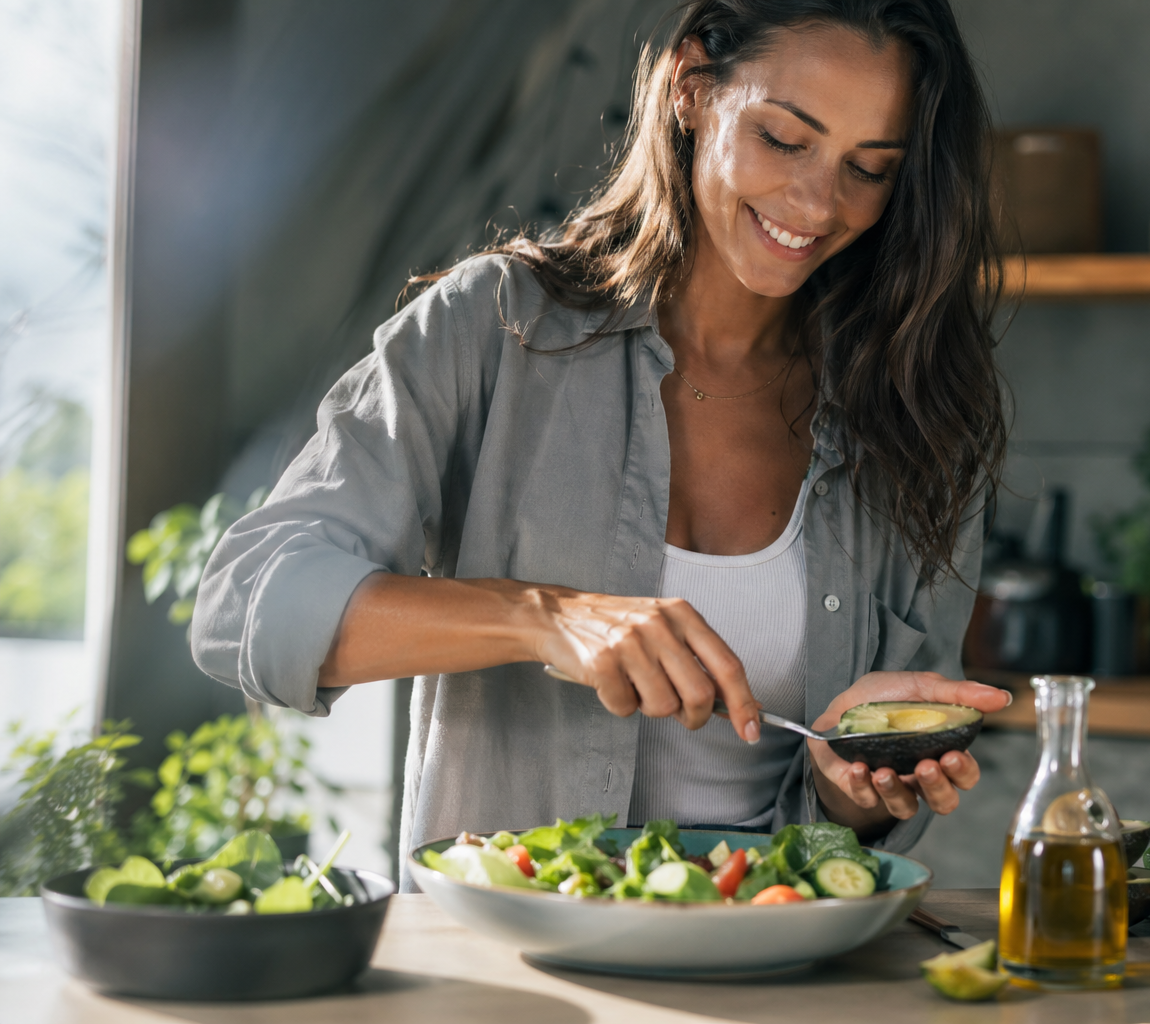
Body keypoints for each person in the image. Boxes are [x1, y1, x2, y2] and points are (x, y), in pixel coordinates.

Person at [192, 0, 1011, 882]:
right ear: (691, 83)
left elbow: (849, 826)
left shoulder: (921, 417)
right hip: (520, 982)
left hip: (775, 976)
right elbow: (246, 607)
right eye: (783, 139)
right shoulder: (495, 328)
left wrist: (854, 783)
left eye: (870, 169)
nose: (817, 203)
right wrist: (544, 617)